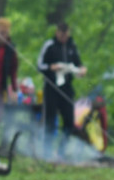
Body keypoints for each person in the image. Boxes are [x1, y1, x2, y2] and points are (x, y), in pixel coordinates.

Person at [37, 22, 87, 158]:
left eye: (66, 34)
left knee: (69, 121)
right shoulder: (49, 45)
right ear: (57, 32)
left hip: (67, 88)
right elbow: (39, 65)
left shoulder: (72, 46)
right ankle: (46, 151)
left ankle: (61, 151)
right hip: (51, 88)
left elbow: (78, 63)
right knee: (50, 120)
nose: (63, 37)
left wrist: (82, 70)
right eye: (61, 34)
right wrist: (51, 68)